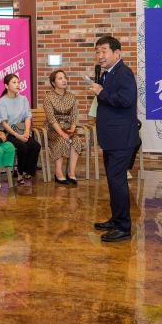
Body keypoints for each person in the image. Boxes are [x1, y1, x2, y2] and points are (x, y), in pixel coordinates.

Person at [88, 36, 138, 243]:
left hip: (121, 139)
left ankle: (124, 227)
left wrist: (101, 91)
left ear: (117, 53)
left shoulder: (124, 73)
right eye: (97, 51)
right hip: (111, 138)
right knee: (113, 182)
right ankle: (116, 220)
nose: (100, 56)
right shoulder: (108, 73)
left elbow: (126, 100)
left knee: (118, 183)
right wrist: (102, 90)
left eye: (104, 51)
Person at [0, 73, 41, 185]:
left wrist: (26, 131)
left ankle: (27, 171)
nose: (17, 84)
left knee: (35, 146)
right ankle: (19, 173)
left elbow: (28, 117)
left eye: (18, 82)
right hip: (8, 133)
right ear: (6, 86)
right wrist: (17, 136)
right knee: (22, 147)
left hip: (21, 130)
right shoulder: (0, 102)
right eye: (14, 82)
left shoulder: (23, 99)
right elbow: (4, 124)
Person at [43, 69, 85, 185]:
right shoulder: (48, 97)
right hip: (52, 129)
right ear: (53, 83)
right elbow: (51, 119)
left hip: (67, 128)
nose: (64, 80)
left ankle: (71, 173)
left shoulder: (71, 96)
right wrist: (62, 133)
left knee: (76, 141)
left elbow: (74, 114)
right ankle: (58, 173)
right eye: (60, 78)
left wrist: (72, 128)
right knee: (61, 140)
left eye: (65, 78)